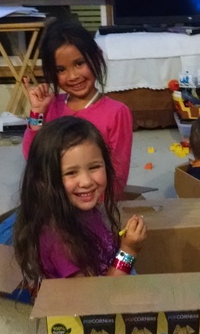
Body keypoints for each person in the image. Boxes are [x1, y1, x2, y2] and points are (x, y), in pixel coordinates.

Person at [13, 116, 146, 289]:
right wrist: (128, 251)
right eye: (71, 173)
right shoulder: (60, 242)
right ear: (43, 180)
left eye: (94, 167)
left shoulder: (82, 210)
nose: (86, 181)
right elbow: (96, 297)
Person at [22, 19, 133, 199]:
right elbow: (33, 158)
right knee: (6, 227)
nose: (73, 76)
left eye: (79, 63)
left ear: (96, 56)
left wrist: (85, 206)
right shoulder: (50, 106)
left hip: (93, 206)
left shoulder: (117, 113)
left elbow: (117, 178)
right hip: (54, 203)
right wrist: (37, 112)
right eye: (60, 69)